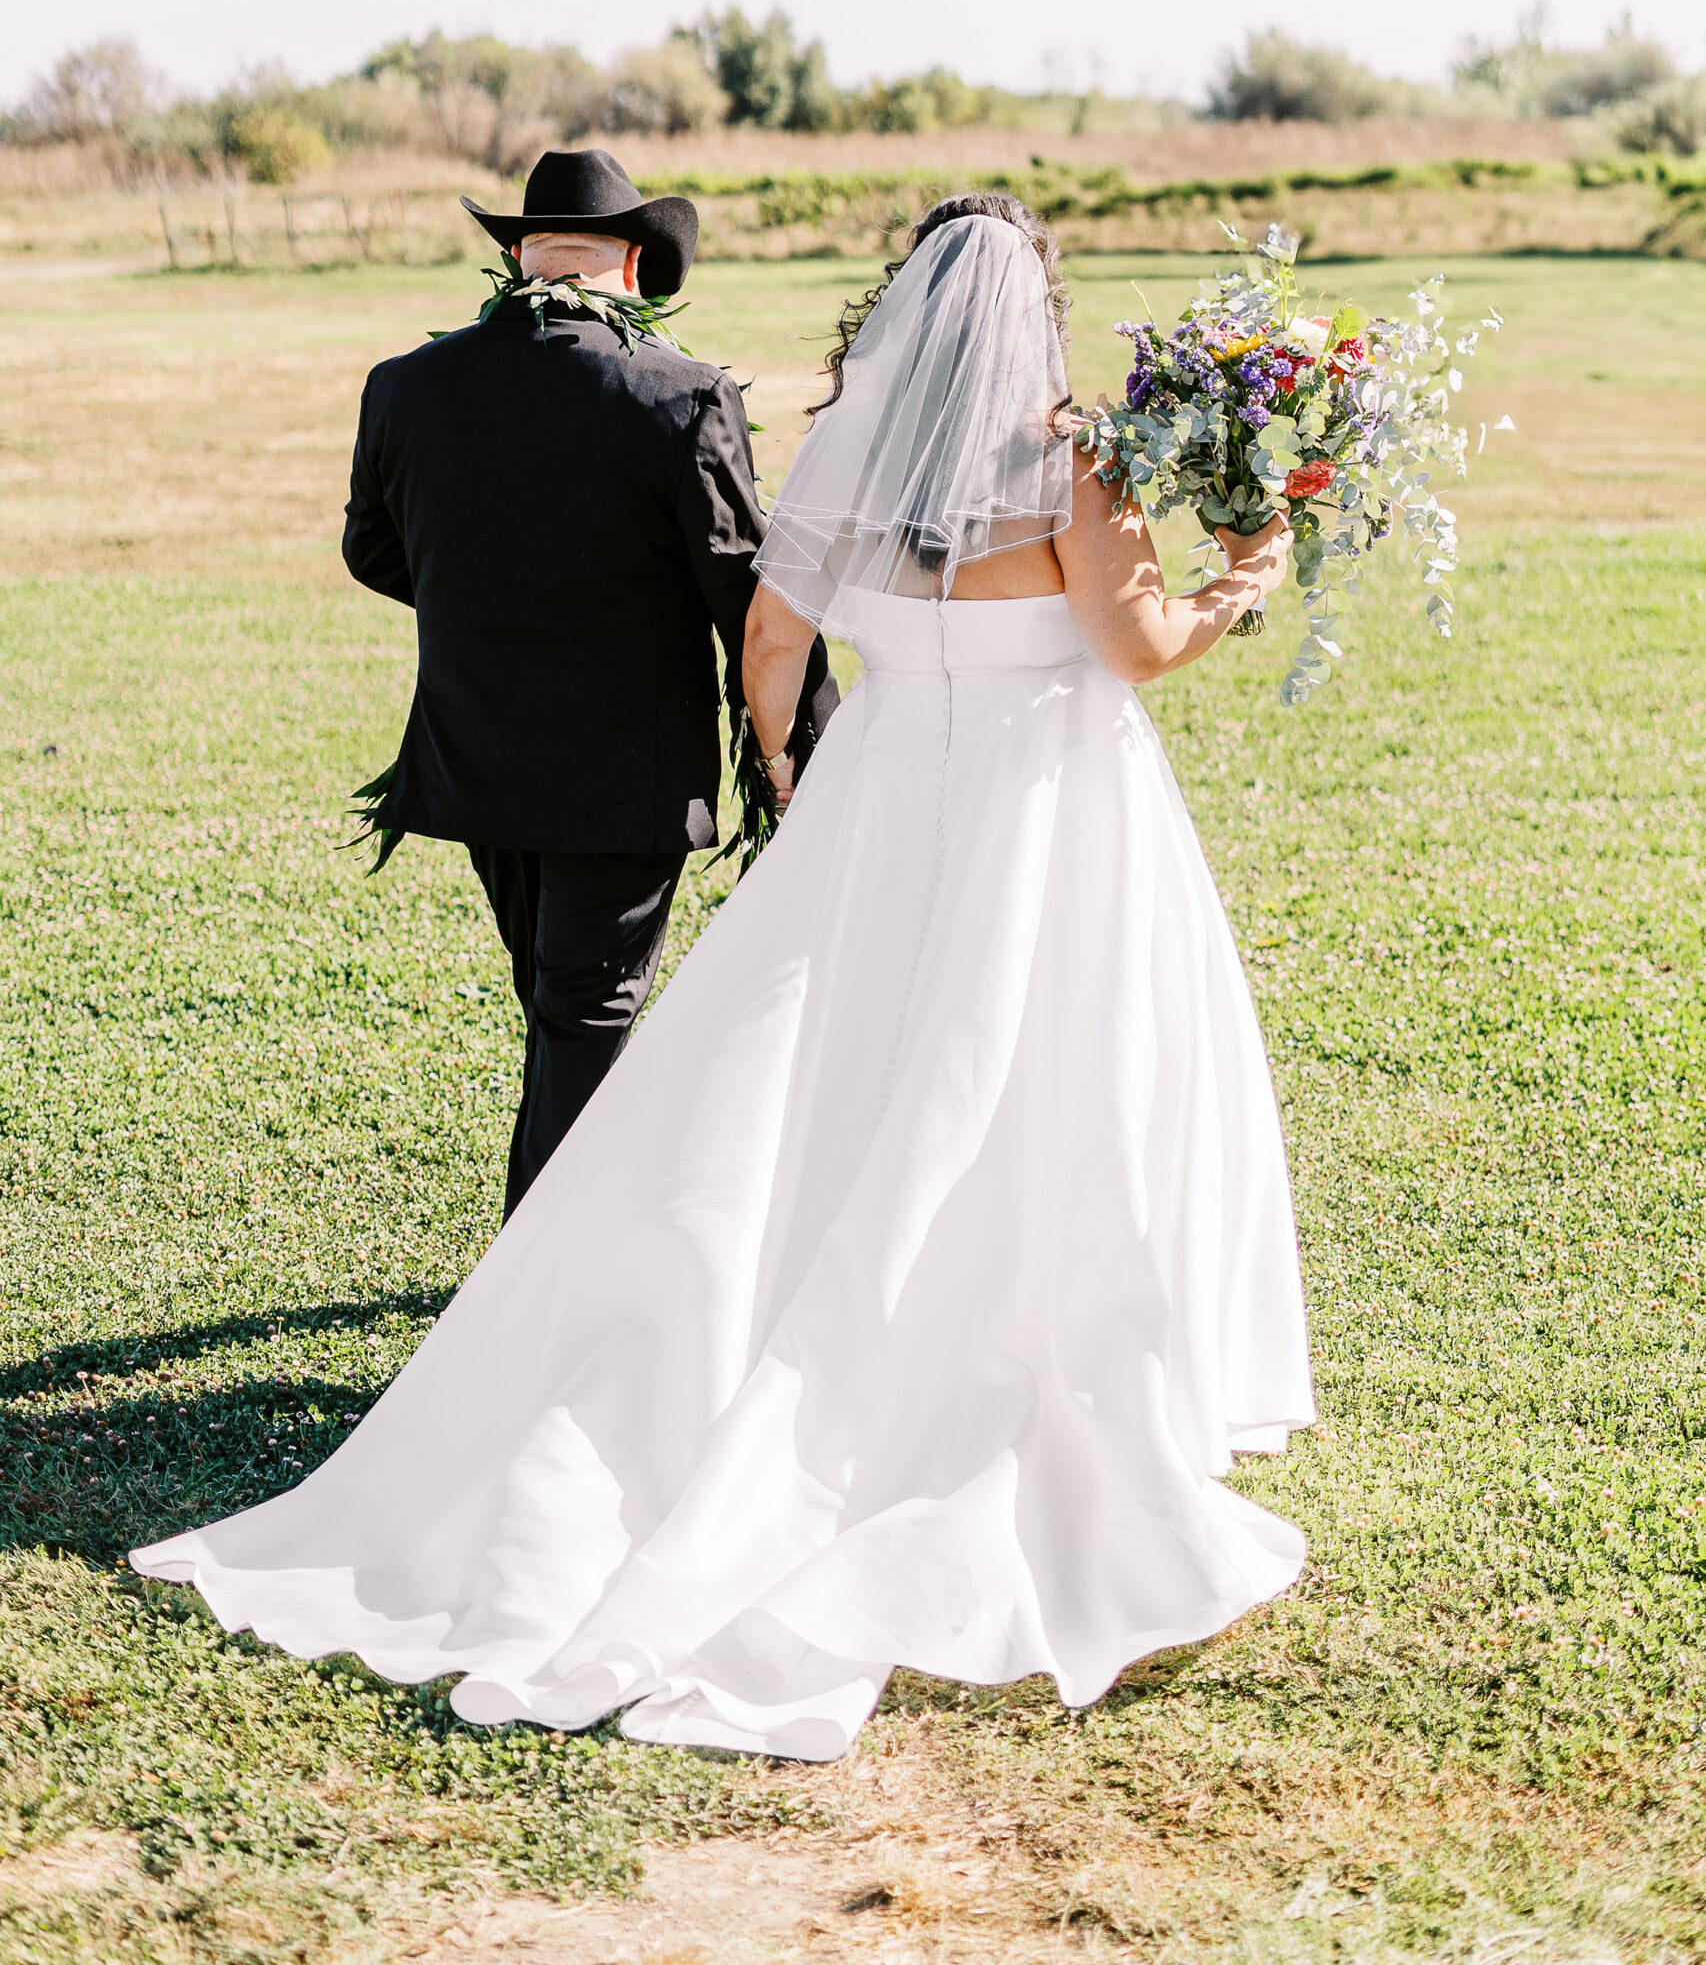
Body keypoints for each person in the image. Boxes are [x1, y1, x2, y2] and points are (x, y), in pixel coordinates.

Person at [133, 194, 1314, 1762]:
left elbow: (770, 632)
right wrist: (1246, 572)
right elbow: (1138, 646)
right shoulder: (1070, 458)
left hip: (880, 793)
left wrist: (787, 762)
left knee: (800, 1080)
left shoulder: (845, 445)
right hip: (1051, 807)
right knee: (1053, 1073)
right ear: (1037, 306)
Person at [339, 147, 837, 1217]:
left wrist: (491, 605)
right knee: (582, 1015)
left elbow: (373, 552)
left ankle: (559, 1251)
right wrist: (798, 743)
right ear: (634, 265)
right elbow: (742, 593)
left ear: (519, 255)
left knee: (557, 1002)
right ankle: (539, 1283)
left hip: (475, 756)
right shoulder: (682, 393)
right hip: (622, 773)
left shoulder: (404, 385)